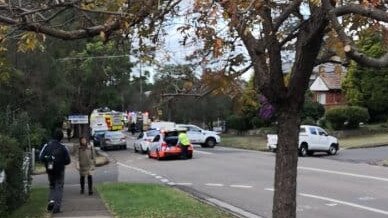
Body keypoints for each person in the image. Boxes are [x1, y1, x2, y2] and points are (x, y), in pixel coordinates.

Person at [39, 128, 71, 214]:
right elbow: (68, 160)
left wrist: (48, 159)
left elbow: (41, 157)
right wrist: (61, 161)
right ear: (61, 138)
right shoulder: (63, 147)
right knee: (59, 187)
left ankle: (51, 201)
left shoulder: (47, 146)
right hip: (60, 170)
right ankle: (57, 207)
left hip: (50, 169)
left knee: (52, 186)